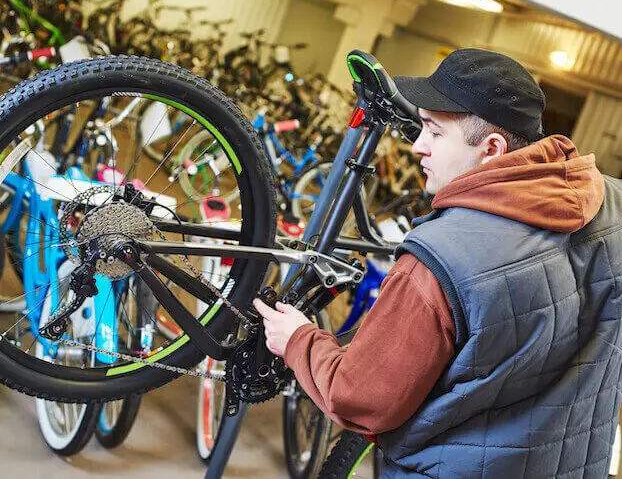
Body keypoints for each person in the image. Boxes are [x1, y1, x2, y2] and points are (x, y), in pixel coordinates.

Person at [254, 48, 622, 477]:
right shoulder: (612, 204)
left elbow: (360, 398)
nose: (417, 146)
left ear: (492, 148)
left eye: (433, 131)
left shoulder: (442, 259)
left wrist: (297, 339)